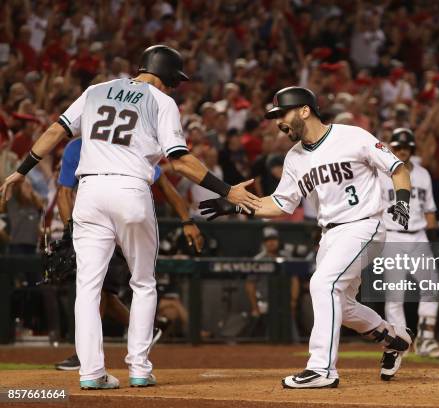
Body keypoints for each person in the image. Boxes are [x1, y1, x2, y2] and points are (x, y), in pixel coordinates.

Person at [0, 45, 260, 390]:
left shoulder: (95, 91)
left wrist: (20, 170)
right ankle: (139, 368)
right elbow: (179, 160)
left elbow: (54, 131)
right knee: (143, 282)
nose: (173, 87)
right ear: (166, 76)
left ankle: (91, 373)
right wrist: (227, 191)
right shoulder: (161, 101)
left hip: (89, 192)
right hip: (130, 190)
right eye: (173, 81)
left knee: (87, 288)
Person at [199, 86, 414, 389]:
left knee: (323, 284)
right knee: (342, 304)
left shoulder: (352, 136)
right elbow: (280, 204)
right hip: (330, 235)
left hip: (364, 225)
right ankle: (395, 337)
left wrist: (402, 201)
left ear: (304, 110)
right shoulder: (295, 157)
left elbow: (398, 168)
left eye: (282, 114)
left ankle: (322, 369)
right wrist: (236, 205)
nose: (278, 122)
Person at [54, 136, 204, 371]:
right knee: (104, 290)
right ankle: (143, 334)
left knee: (98, 289)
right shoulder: (79, 146)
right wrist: (71, 232)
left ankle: (85, 357)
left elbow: (165, 185)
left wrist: (187, 219)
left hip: (122, 225)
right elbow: (63, 194)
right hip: (101, 222)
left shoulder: (123, 144)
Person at [379, 128, 439, 365]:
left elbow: (430, 212)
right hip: (393, 237)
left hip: (418, 236)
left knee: (431, 286)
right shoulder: (381, 173)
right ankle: (401, 341)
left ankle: (426, 339)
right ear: (391, 148)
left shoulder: (424, 174)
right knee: (395, 294)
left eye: (406, 147)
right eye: (398, 147)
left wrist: (434, 232)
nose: (402, 150)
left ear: (412, 149)